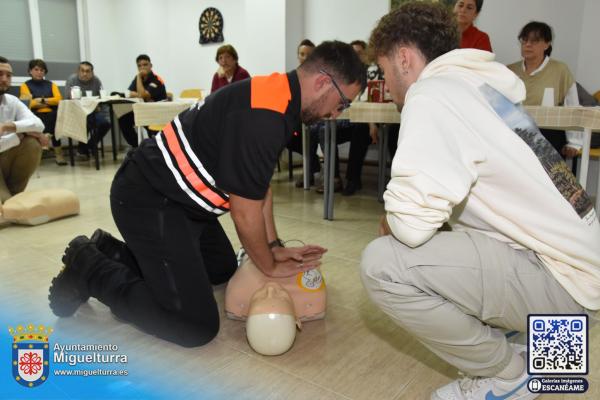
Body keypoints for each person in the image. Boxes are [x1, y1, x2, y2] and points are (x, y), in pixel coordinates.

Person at [48, 41, 366, 348]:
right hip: (148, 199)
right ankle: (89, 266)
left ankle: (109, 250)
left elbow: (259, 188)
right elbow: (244, 211)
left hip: (185, 203)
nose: (337, 113)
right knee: (194, 325)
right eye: (343, 103)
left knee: (221, 270)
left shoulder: (279, 97)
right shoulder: (266, 114)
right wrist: (268, 266)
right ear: (324, 82)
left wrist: (272, 247)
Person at [360, 3, 599, 400]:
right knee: (446, 236)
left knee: (383, 265)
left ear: (404, 58)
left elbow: (410, 226)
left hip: (564, 293)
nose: (386, 85)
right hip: (579, 280)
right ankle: (533, 352)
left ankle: (508, 373)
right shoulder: (481, 87)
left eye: (384, 71)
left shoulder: (431, 93)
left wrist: (394, 215)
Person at [507, 21, 581, 158]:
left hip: (547, 135)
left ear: (547, 44)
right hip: (514, 132)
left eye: (534, 41)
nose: (528, 44)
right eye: (524, 40)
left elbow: (572, 106)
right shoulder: (509, 71)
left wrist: (574, 143)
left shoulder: (560, 70)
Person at [316, 40, 375, 196]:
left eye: (359, 53)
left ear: (366, 55)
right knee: (324, 130)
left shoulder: (373, 73)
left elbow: (372, 101)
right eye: (352, 53)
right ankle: (333, 178)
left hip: (367, 121)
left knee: (361, 128)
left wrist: (372, 124)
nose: (355, 56)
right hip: (346, 120)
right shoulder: (342, 75)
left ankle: (353, 179)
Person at [0, 56, 47, 207]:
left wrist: (8, 126)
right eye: (0, 74)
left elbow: (39, 125)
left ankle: (12, 196)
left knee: (32, 144)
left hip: (5, 158)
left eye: (8, 75)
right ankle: (8, 201)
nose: (5, 79)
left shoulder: (11, 100)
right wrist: (19, 135)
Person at [288, 39, 320, 188]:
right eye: (302, 54)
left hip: (317, 118)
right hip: (297, 119)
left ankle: (309, 170)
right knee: (285, 133)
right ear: (298, 56)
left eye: (309, 55)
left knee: (311, 131)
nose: (305, 58)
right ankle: (313, 164)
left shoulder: (322, 77)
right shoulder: (293, 76)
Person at [19, 59, 64, 165]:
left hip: (51, 113)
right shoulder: (25, 86)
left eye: (42, 70)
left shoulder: (51, 84)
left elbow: (58, 100)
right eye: (36, 69)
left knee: (54, 117)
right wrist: (49, 101)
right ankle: (47, 140)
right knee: (41, 119)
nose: (39, 72)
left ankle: (57, 153)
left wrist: (41, 100)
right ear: (30, 71)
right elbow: (28, 104)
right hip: (35, 114)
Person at [65, 61, 111, 161]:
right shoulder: (72, 80)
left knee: (106, 124)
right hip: (77, 112)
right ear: (78, 71)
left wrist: (101, 110)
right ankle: (84, 149)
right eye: (82, 71)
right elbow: (69, 99)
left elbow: (101, 98)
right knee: (85, 122)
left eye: (88, 71)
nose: (85, 73)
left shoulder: (96, 81)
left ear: (92, 72)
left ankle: (88, 146)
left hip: (93, 111)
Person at [118, 54, 167, 147]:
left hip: (157, 112)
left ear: (150, 66)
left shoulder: (156, 80)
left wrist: (139, 78)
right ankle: (137, 147)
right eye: (139, 66)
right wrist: (139, 92)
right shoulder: (138, 79)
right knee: (123, 120)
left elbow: (142, 95)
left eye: (145, 65)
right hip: (144, 111)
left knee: (153, 132)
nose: (142, 67)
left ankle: (156, 147)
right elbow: (130, 93)